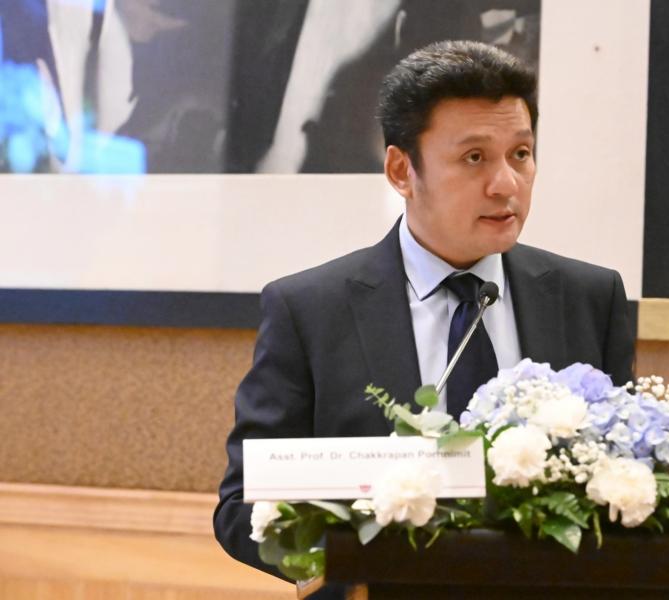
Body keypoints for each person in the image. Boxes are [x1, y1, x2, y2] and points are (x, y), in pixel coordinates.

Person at [214, 40, 635, 588]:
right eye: (474, 158)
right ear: (400, 170)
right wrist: (360, 554)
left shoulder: (590, 297)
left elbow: (625, 482)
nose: (506, 184)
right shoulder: (309, 310)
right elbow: (244, 507)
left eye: (521, 154)